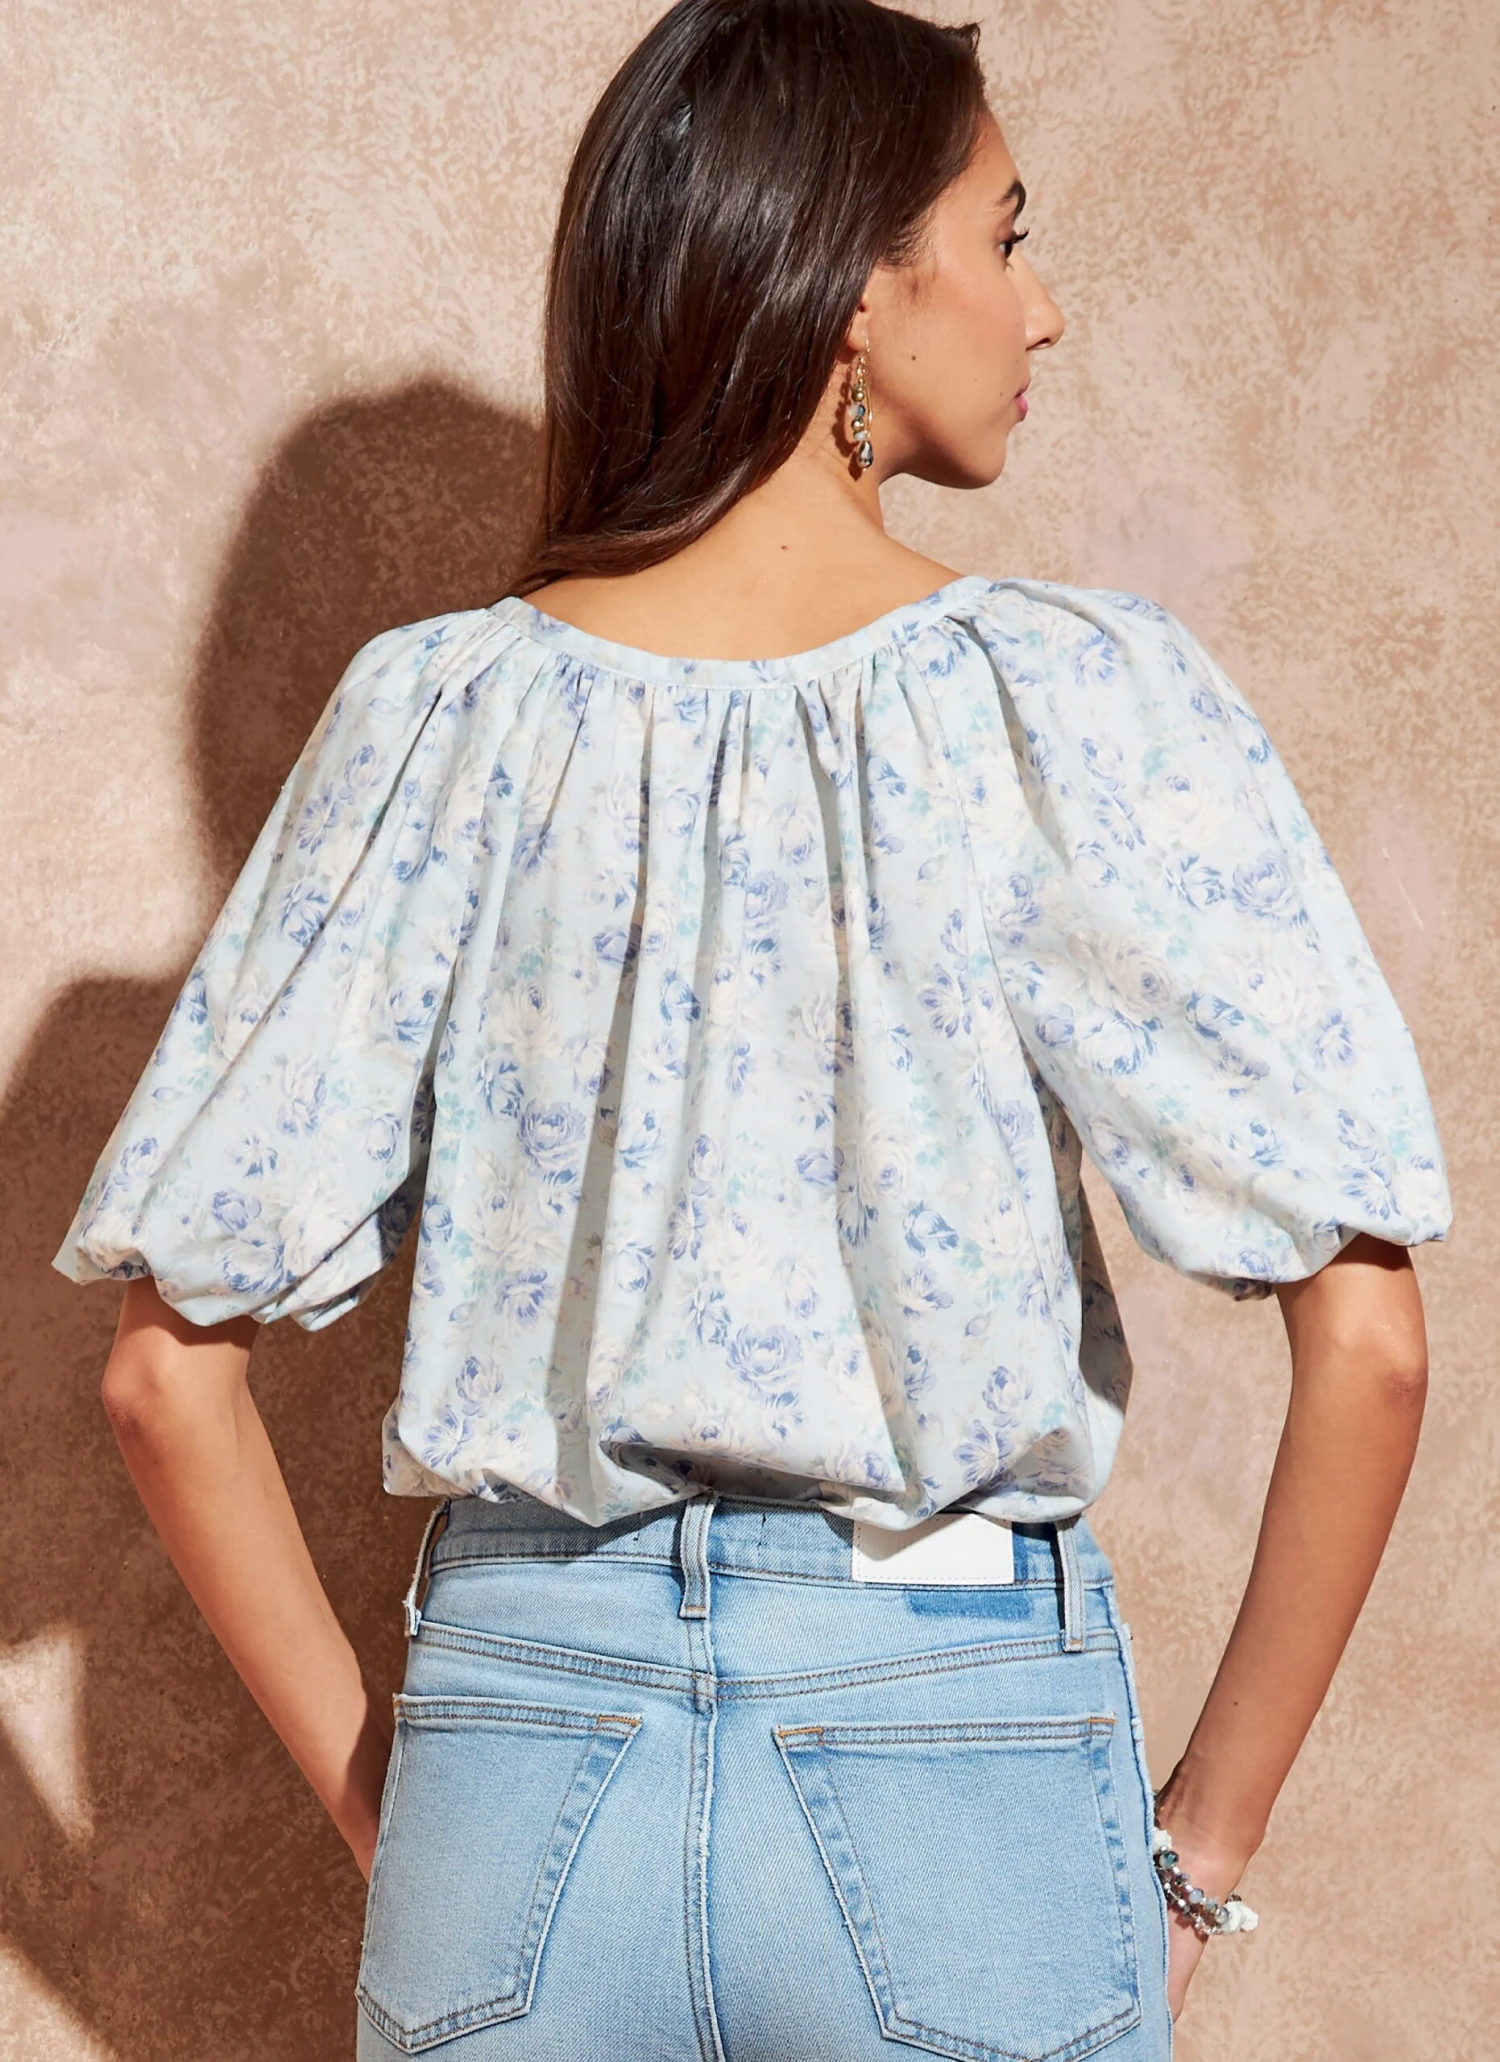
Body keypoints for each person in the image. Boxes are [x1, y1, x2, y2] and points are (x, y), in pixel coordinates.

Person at [56, 1, 1451, 2055]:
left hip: (526, 1744)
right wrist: (1198, 1847)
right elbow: (1375, 1344)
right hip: (951, 1733)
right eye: (1003, 236)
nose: (1042, 308)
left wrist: (414, 1821)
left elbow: (164, 1381)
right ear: (857, 289)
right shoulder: (1060, 700)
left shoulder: (441, 718)